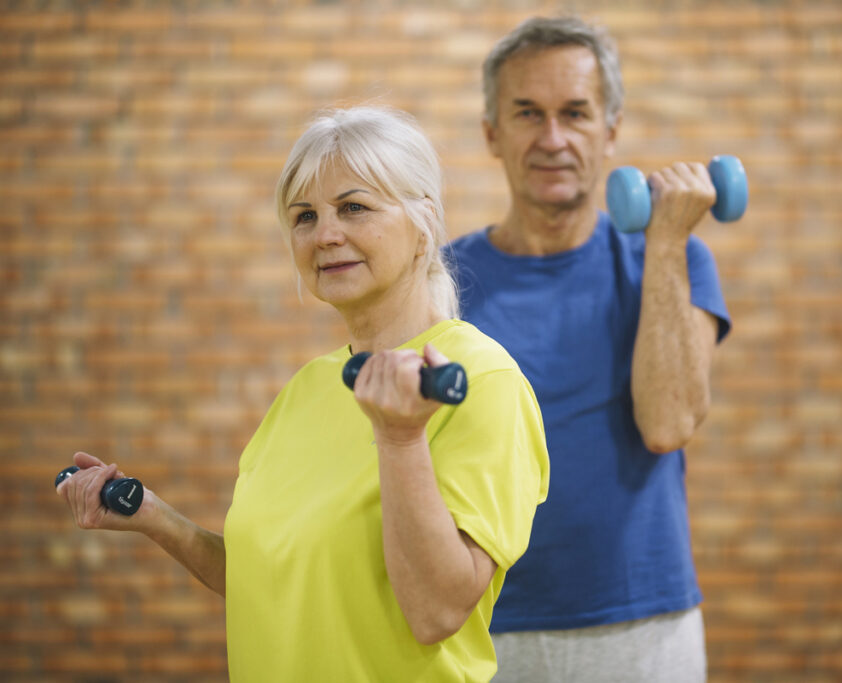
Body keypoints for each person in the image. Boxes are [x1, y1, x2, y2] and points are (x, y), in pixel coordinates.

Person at [57, 106, 549, 682]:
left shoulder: (483, 381)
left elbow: (436, 611)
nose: (326, 235)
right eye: (305, 216)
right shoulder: (307, 387)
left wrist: (399, 437)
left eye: (354, 207)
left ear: (425, 223)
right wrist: (155, 518)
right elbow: (273, 579)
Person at [445, 16, 732, 682]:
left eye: (575, 113)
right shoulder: (440, 284)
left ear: (611, 130)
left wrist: (662, 242)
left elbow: (668, 424)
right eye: (527, 113)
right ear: (492, 133)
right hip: (481, 625)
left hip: (641, 626)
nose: (553, 138)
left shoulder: (677, 259)